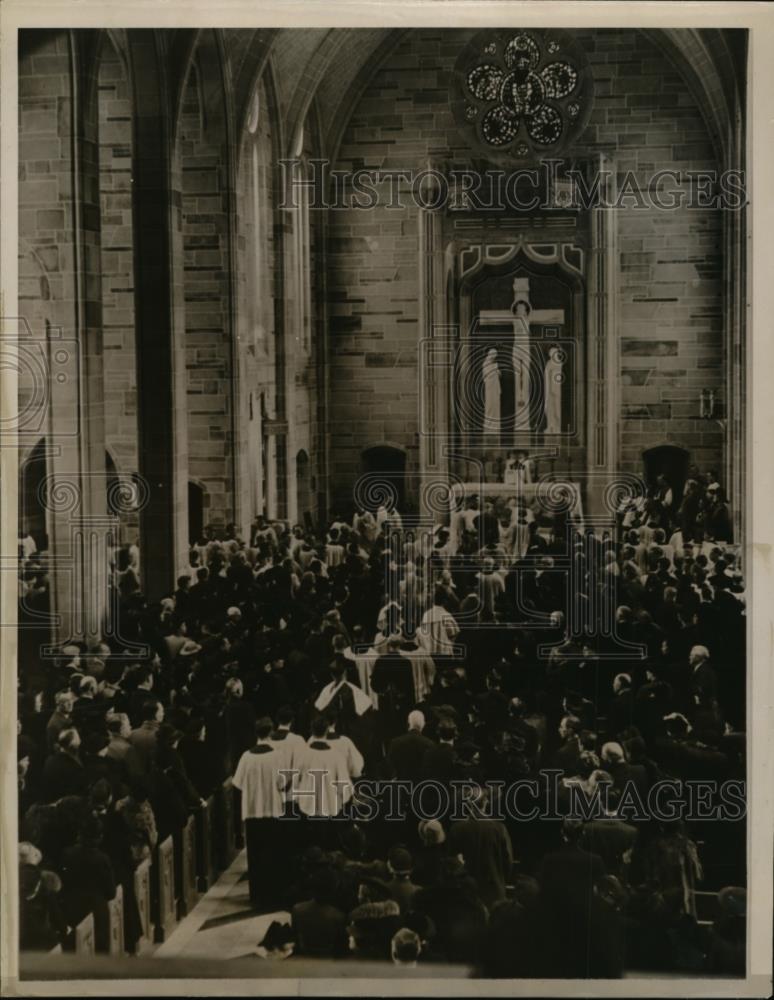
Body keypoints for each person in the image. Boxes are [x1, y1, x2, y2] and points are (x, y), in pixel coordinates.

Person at [232, 717, 287, 909]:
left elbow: (237, 783)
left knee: (255, 854)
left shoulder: (246, 756)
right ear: (270, 733)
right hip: (273, 810)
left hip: (253, 811)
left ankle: (256, 894)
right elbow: (283, 783)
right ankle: (272, 894)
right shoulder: (277, 756)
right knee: (273, 853)